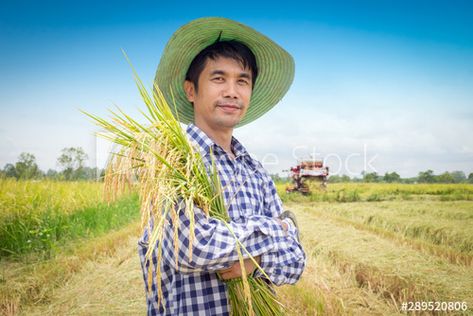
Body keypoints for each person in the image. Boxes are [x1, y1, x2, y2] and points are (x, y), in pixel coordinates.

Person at [138, 17, 306, 315]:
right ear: (191, 91)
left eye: (242, 80)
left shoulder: (256, 171)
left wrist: (254, 265)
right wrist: (278, 229)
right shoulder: (171, 162)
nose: (232, 91)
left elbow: (296, 262)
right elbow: (192, 248)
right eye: (218, 78)